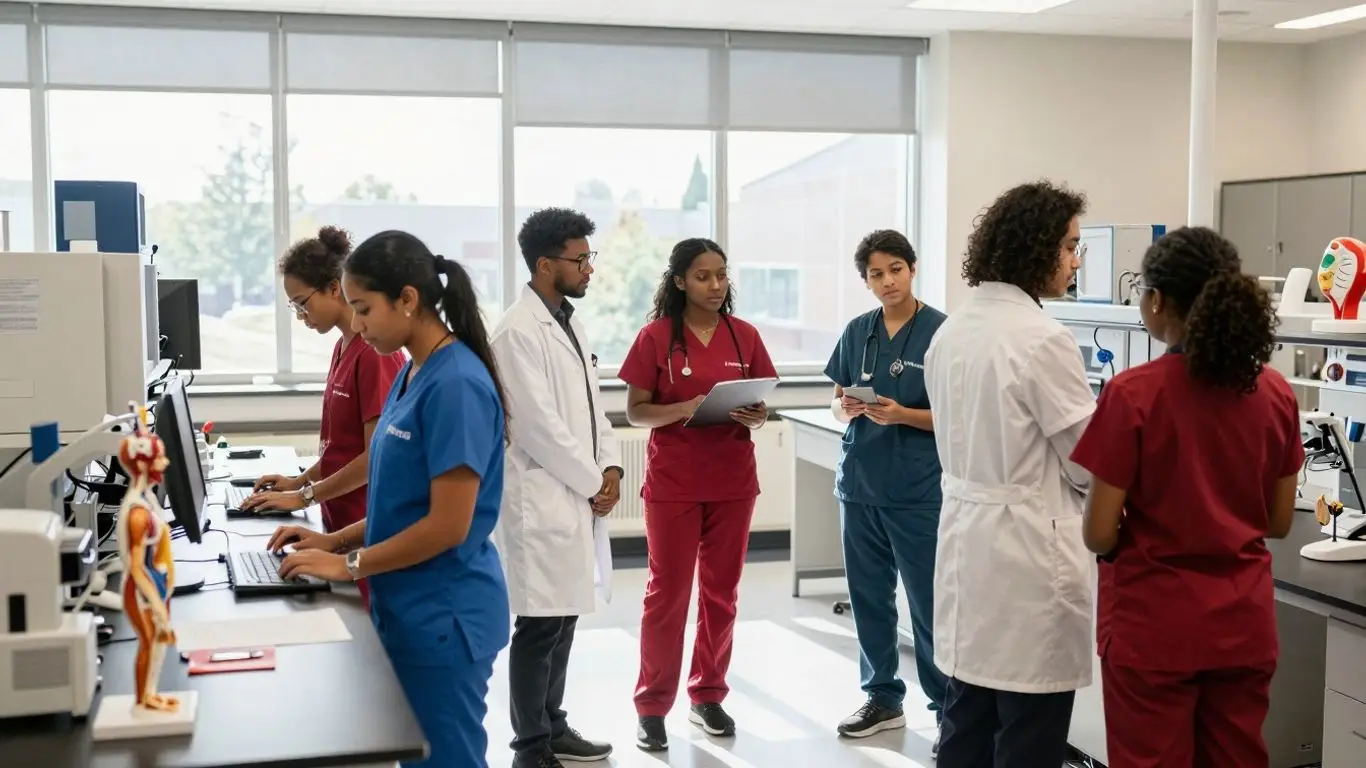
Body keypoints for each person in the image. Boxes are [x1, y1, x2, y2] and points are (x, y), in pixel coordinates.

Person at [267, 231, 510, 768]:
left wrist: (347, 564)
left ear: (407, 298)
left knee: (445, 758)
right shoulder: (411, 372)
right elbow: (398, 500)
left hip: (447, 614)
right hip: (408, 605)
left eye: (364, 309)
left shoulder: (457, 385)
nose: (356, 325)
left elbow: (447, 525)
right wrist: (331, 540)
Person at [1069, 227, 1301, 768]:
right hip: (1241, 625)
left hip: (1153, 626)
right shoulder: (1273, 391)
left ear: (1156, 300)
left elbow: (1099, 532)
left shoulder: (1134, 394)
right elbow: (1281, 520)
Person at [923, 180, 1095, 767]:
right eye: (1071, 245)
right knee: (1029, 731)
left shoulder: (953, 330)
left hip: (968, 545)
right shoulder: (1042, 338)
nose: (1075, 260)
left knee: (966, 716)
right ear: (1036, 247)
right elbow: (1087, 462)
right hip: (1027, 554)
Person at [619, 238, 777, 751]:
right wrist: (683, 406)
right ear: (681, 280)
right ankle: (651, 705)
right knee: (667, 595)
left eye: (722, 275)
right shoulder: (656, 337)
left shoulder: (743, 336)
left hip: (732, 480)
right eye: (703, 276)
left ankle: (707, 694)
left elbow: (762, 398)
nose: (715, 285)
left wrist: (757, 413)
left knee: (721, 593)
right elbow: (637, 410)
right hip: (675, 485)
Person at [491, 207, 621, 768]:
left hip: (574, 490)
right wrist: (595, 481)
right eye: (581, 258)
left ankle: (554, 724)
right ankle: (530, 747)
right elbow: (538, 426)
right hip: (542, 495)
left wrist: (612, 469)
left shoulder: (568, 319)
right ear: (546, 265)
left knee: (564, 615)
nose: (590, 268)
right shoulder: (516, 331)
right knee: (540, 624)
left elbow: (594, 410)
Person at [824, 230, 950, 752]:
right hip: (860, 485)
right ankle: (881, 697)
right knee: (869, 598)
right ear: (866, 280)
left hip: (918, 490)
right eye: (876, 274)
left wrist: (903, 416)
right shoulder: (859, 331)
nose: (887, 281)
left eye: (895, 269)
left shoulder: (942, 333)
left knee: (928, 604)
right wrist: (846, 408)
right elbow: (835, 399)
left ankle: (948, 708)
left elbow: (955, 416)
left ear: (912, 268)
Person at [242, 226, 405, 605]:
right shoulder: (342, 347)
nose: (301, 316)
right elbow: (339, 449)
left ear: (335, 288)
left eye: (302, 303)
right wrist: (296, 481)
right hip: (338, 524)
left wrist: (304, 496)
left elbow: (372, 459)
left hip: (364, 526)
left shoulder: (375, 355)